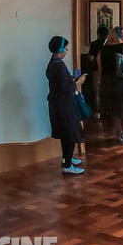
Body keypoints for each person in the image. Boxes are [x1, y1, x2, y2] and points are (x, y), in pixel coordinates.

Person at [46, 35, 86, 175]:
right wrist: (78, 82)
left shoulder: (53, 63)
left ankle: (66, 159)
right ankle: (67, 165)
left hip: (58, 104)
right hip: (64, 105)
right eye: (65, 47)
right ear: (60, 49)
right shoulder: (59, 66)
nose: (67, 50)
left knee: (65, 134)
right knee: (70, 134)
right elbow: (65, 88)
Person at [98, 26, 123, 145]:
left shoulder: (103, 50)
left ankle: (118, 134)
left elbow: (100, 68)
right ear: (119, 35)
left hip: (108, 82)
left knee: (115, 109)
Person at [87, 25, 109, 117]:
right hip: (109, 71)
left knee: (97, 91)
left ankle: (98, 112)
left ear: (98, 33)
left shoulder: (94, 43)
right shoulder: (110, 44)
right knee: (108, 90)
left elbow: (91, 58)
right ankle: (108, 111)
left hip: (96, 70)